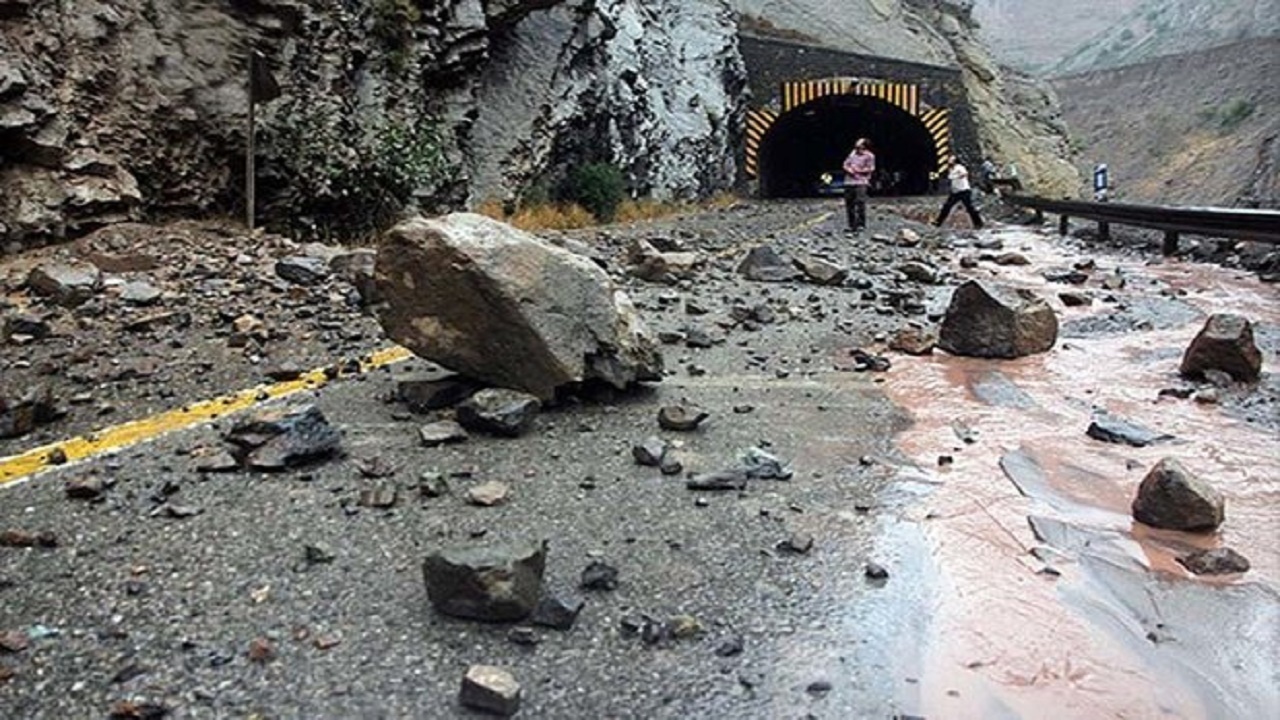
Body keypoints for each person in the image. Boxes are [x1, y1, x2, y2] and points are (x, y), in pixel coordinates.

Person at [933, 155, 984, 229]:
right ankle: (938, 222)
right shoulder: (951, 169)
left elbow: (965, 173)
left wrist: (958, 177)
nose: (949, 160)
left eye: (951, 159)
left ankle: (978, 223)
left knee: (969, 208)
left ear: (955, 161)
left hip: (964, 191)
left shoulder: (959, 167)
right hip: (955, 192)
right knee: (946, 206)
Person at [841, 138, 875, 232]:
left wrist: (858, 170)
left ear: (864, 145)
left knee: (860, 202)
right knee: (849, 203)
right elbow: (845, 164)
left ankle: (861, 224)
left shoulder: (869, 156)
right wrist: (848, 169)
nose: (856, 143)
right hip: (849, 182)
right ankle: (852, 225)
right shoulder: (852, 154)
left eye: (859, 142)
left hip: (861, 182)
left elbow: (871, 168)